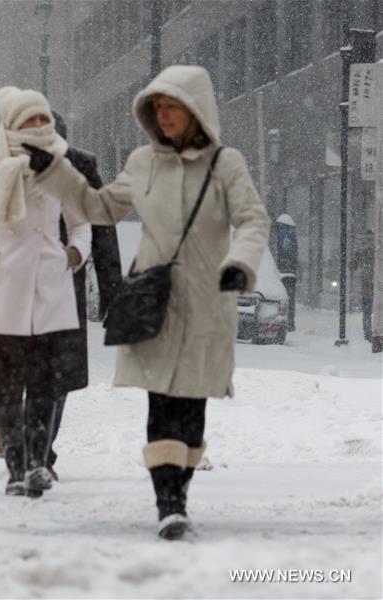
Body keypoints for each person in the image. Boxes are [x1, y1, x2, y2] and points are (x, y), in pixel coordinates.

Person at [25, 65, 270, 539]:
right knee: (160, 404)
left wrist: (240, 262)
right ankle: (169, 504)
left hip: (205, 304)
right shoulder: (141, 163)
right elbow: (99, 208)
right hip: (156, 303)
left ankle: (180, 488)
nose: (164, 115)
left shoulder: (226, 165)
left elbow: (252, 219)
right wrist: (56, 174)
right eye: (158, 108)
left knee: (191, 409)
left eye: (172, 106)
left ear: (196, 110)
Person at [0, 86, 90, 498]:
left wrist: (73, 255)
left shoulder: (61, 168)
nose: (37, 125)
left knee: (46, 385)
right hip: (5, 292)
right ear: (12, 123)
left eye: (41, 118)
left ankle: (37, 464)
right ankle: (15, 468)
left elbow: (82, 223)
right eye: (29, 119)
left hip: (51, 290)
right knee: (9, 387)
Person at [0, 110, 122, 482]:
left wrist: (112, 290)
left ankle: (40, 455)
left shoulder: (80, 168)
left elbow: (102, 229)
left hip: (63, 286)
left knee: (57, 378)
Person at [349, 229, 375, 342]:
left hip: (366, 284)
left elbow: (352, 266)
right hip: (378, 284)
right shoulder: (378, 248)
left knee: (367, 311)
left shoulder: (361, 250)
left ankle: (368, 334)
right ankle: (375, 332)